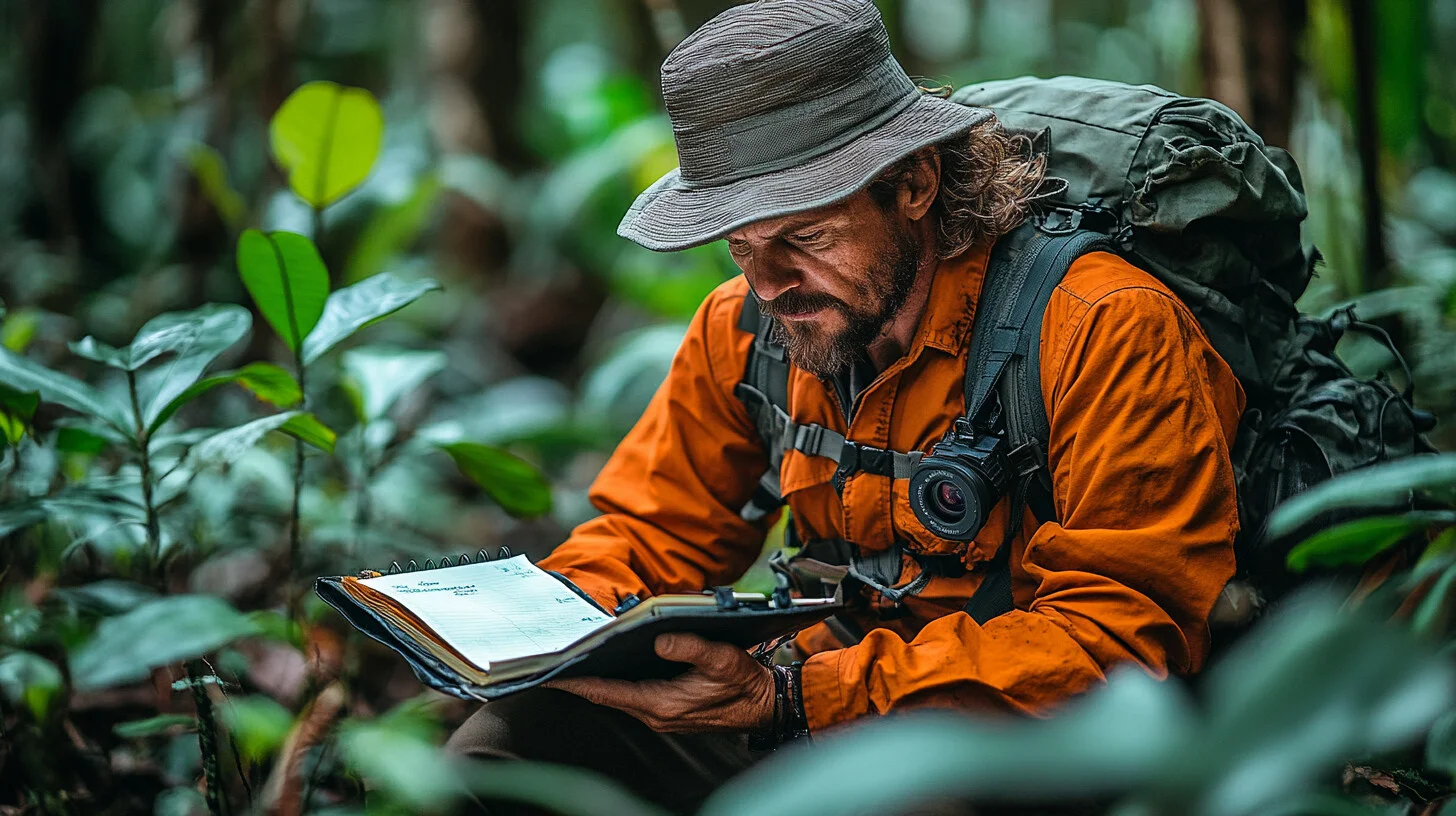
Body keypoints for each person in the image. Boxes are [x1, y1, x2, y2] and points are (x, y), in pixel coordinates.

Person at [447, 0, 1243, 812]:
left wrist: (799, 698)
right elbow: (651, 532)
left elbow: (1120, 638)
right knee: (504, 745)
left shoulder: (1102, 327)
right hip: (818, 702)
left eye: (807, 236)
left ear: (915, 184)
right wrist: (542, 637)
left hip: (1019, 741)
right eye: (743, 246)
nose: (770, 284)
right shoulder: (747, 324)